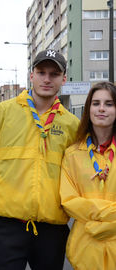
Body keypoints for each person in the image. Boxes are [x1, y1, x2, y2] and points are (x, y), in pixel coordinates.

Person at [0, 49, 80, 270]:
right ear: (32, 75)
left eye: (54, 74)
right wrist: (3, 184)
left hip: (52, 227)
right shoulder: (3, 112)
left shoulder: (72, 125)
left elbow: (77, 171)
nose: (47, 79)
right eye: (41, 72)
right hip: (7, 225)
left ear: (64, 79)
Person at [60, 81, 116, 270]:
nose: (101, 109)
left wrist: (105, 225)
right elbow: (69, 201)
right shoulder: (72, 154)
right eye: (95, 103)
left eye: (109, 104)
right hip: (86, 250)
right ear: (88, 109)